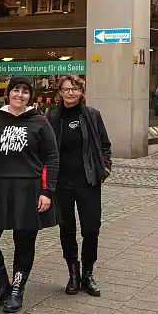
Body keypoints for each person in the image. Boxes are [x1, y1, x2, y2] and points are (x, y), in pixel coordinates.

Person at [0, 76, 59, 313]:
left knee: (24, 242)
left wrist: (47, 191)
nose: (19, 95)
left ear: (30, 96)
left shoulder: (40, 123)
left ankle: (16, 291)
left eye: (25, 91)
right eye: (15, 90)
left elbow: (52, 158)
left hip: (28, 189)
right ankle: (2, 284)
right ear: (8, 93)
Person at [47, 75, 111, 298]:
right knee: (67, 229)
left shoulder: (92, 115)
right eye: (66, 90)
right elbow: (46, 148)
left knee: (91, 228)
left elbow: (105, 144)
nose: (70, 93)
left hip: (88, 181)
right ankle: (73, 272)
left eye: (74, 89)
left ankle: (88, 273)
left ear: (82, 91)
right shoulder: (53, 116)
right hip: (62, 183)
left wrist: (106, 167)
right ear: (60, 92)